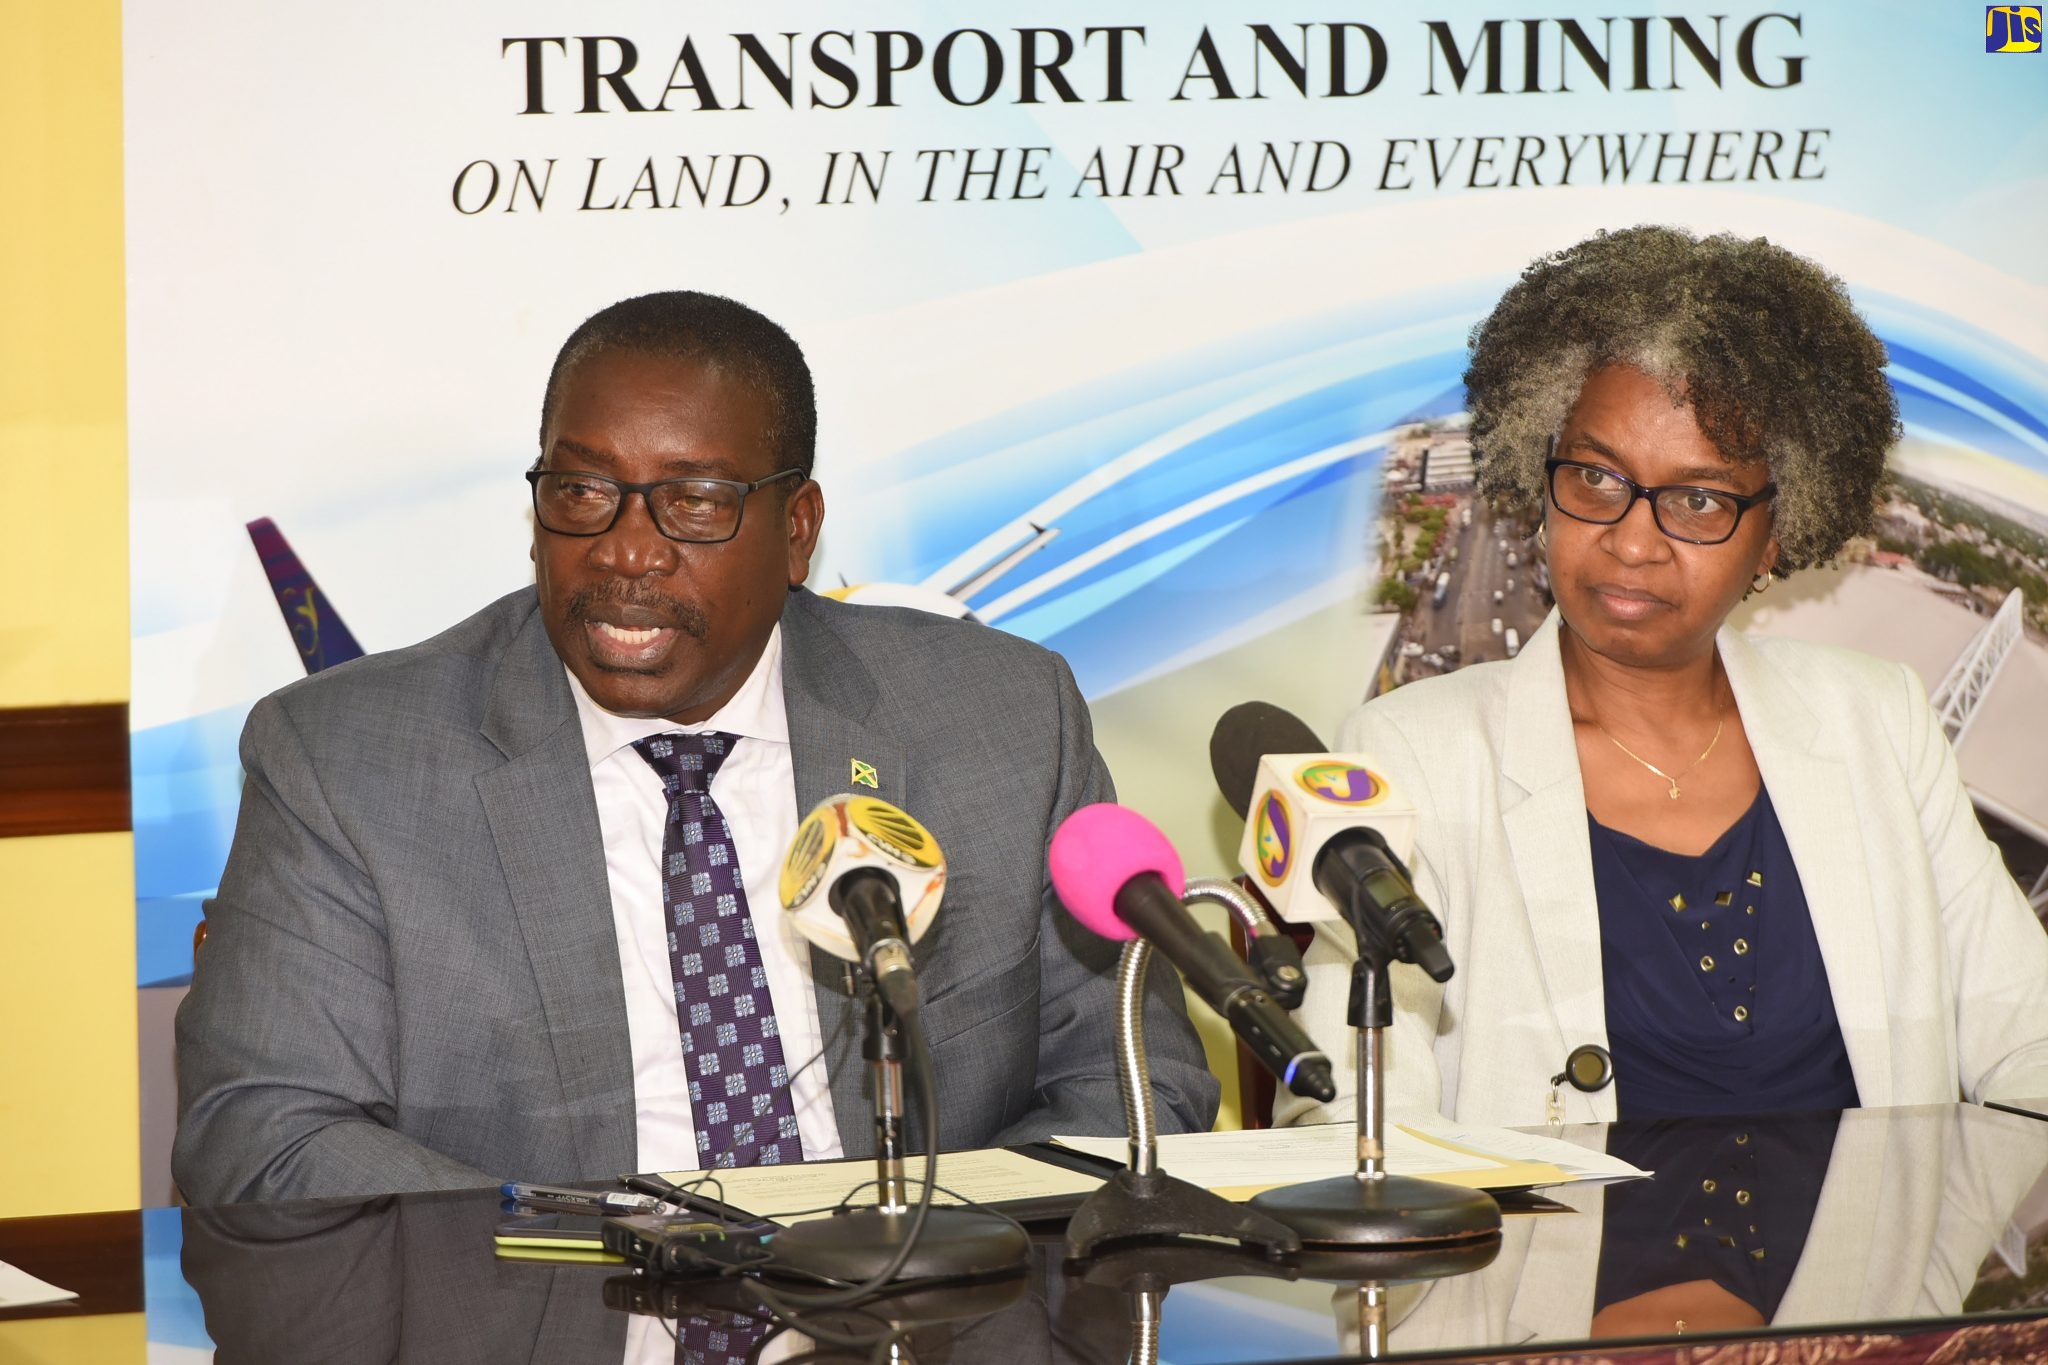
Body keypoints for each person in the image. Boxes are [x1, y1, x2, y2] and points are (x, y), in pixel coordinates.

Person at [175, 291, 1216, 1205]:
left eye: (694, 503)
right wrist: (625, 1246)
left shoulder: (998, 717)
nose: (626, 550)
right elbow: (264, 1139)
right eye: (581, 493)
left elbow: (1132, 1085)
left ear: (797, 529)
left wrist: (925, 1251)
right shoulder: (348, 759)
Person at [1279, 226, 2048, 1129]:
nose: (1632, 539)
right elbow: (1350, 1118)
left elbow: (2028, 1044)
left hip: (1863, 1272)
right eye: (1598, 478)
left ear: (1776, 533)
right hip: (1530, 1274)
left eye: (1698, 499)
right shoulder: (1414, 752)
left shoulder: (1877, 721)